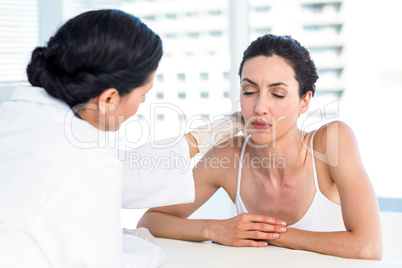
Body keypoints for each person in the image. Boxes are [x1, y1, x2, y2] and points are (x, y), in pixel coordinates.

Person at [0, 9, 242, 267]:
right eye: (142, 94)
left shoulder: (21, 117)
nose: (144, 102)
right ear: (108, 99)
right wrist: (143, 249)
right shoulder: (84, 158)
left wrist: (219, 130)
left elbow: (123, 171)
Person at [138, 34, 383, 260]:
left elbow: (368, 246)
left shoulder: (332, 142)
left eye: (277, 94)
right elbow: (150, 221)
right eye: (249, 90)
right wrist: (216, 229)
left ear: (304, 100)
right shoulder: (230, 154)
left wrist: (266, 234)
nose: (259, 107)